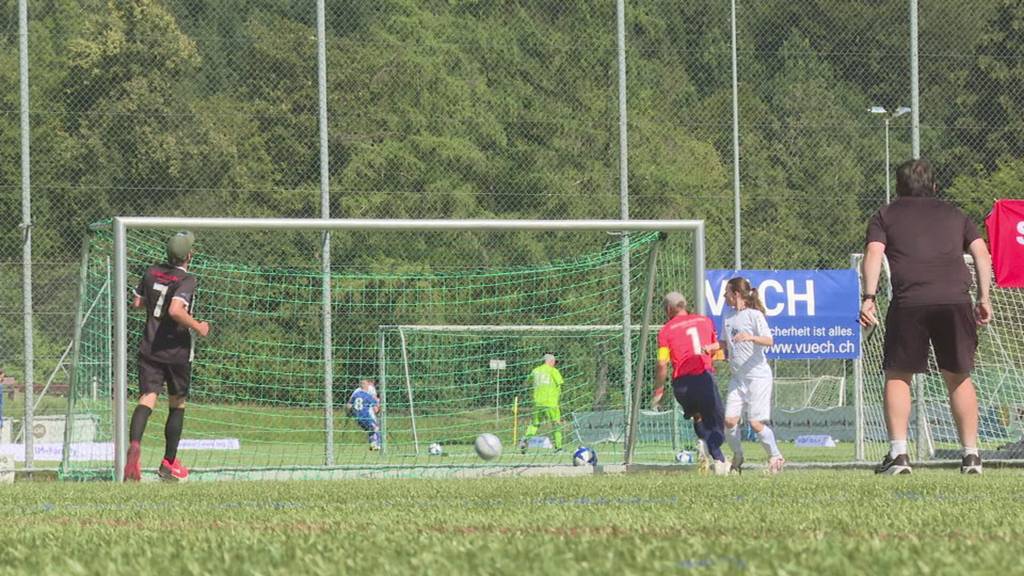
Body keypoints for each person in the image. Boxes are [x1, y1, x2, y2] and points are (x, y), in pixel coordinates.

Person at [860, 158, 993, 475]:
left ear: (899, 187)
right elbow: (981, 253)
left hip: (910, 301)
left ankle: (899, 455)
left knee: (898, 374)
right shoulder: (955, 214)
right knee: (958, 375)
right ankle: (971, 456)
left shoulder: (885, 215)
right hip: (955, 300)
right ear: (934, 186)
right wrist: (984, 296)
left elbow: (874, 254)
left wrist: (868, 297)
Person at [125, 231, 210, 482]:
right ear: (189, 255)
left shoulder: (151, 271)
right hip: (176, 351)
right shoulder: (187, 279)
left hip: (150, 346)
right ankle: (169, 463)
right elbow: (175, 309)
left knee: (147, 398)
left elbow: (137, 303)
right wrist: (198, 326)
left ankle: (135, 444)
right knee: (177, 403)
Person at [651, 291, 729, 476]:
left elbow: (662, 363)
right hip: (704, 377)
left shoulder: (665, 331)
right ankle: (719, 460)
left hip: (682, 384)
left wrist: (659, 390)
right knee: (716, 422)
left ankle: (703, 441)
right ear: (684, 305)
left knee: (698, 416)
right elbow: (715, 350)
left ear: (669, 309)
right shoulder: (705, 321)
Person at [721, 277, 784, 475]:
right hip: (737, 378)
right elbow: (724, 345)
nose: (725, 296)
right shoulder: (728, 316)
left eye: (727, 293)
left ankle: (775, 457)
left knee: (756, 424)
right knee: (730, 421)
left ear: (736, 294)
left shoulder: (754, 315)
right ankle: (738, 456)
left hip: (758, 377)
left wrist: (750, 337)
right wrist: (708, 349)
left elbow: (769, 340)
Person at [519, 353, 565, 453]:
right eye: (554, 362)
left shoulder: (535, 371)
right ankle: (558, 447)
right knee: (556, 424)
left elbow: (526, 383)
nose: (554, 364)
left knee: (535, 424)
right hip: (551, 403)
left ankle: (525, 439)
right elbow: (560, 384)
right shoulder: (553, 371)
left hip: (537, 402)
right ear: (551, 361)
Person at [347, 379, 381, 450]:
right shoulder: (367, 396)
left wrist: (352, 412)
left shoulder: (356, 394)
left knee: (371, 429)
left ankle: (372, 444)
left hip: (358, 418)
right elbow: (376, 407)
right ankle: (376, 444)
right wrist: (379, 406)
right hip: (366, 417)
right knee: (376, 427)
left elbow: (349, 405)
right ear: (365, 386)